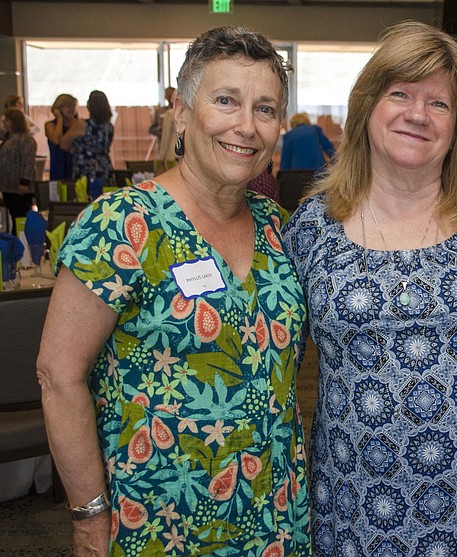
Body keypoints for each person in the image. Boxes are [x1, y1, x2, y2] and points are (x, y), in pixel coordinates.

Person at [37, 26, 310, 556]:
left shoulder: (280, 229)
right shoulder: (122, 225)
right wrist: (89, 518)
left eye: (265, 109)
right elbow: (58, 376)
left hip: (275, 521)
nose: (246, 126)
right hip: (158, 524)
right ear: (182, 114)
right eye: (225, 101)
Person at [283, 21, 457, 557]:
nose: (418, 114)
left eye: (439, 104)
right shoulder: (311, 228)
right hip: (352, 506)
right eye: (400, 94)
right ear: (367, 106)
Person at [64, 90, 115, 189]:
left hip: (86, 169)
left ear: (89, 106)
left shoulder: (82, 125)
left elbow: (64, 143)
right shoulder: (110, 127)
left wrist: (76, 149)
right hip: (105, 168)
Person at [0, 109, 37, 234]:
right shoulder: (8, 138)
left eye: (7, 120)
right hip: (8, 185)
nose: (4, 122)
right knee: (13, 214)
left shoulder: (26, 140)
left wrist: (24, 182)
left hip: (20, 187)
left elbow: (28, 162)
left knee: (20, 216)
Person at [44, 93, 78, 181]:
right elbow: (56, 140)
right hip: (57, 169)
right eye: (68, 106)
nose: (71, 109)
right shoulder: (50, 125)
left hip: (75, 169)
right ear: (59, 108)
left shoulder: (79, 125)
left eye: (73, 106)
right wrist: (60, 119)